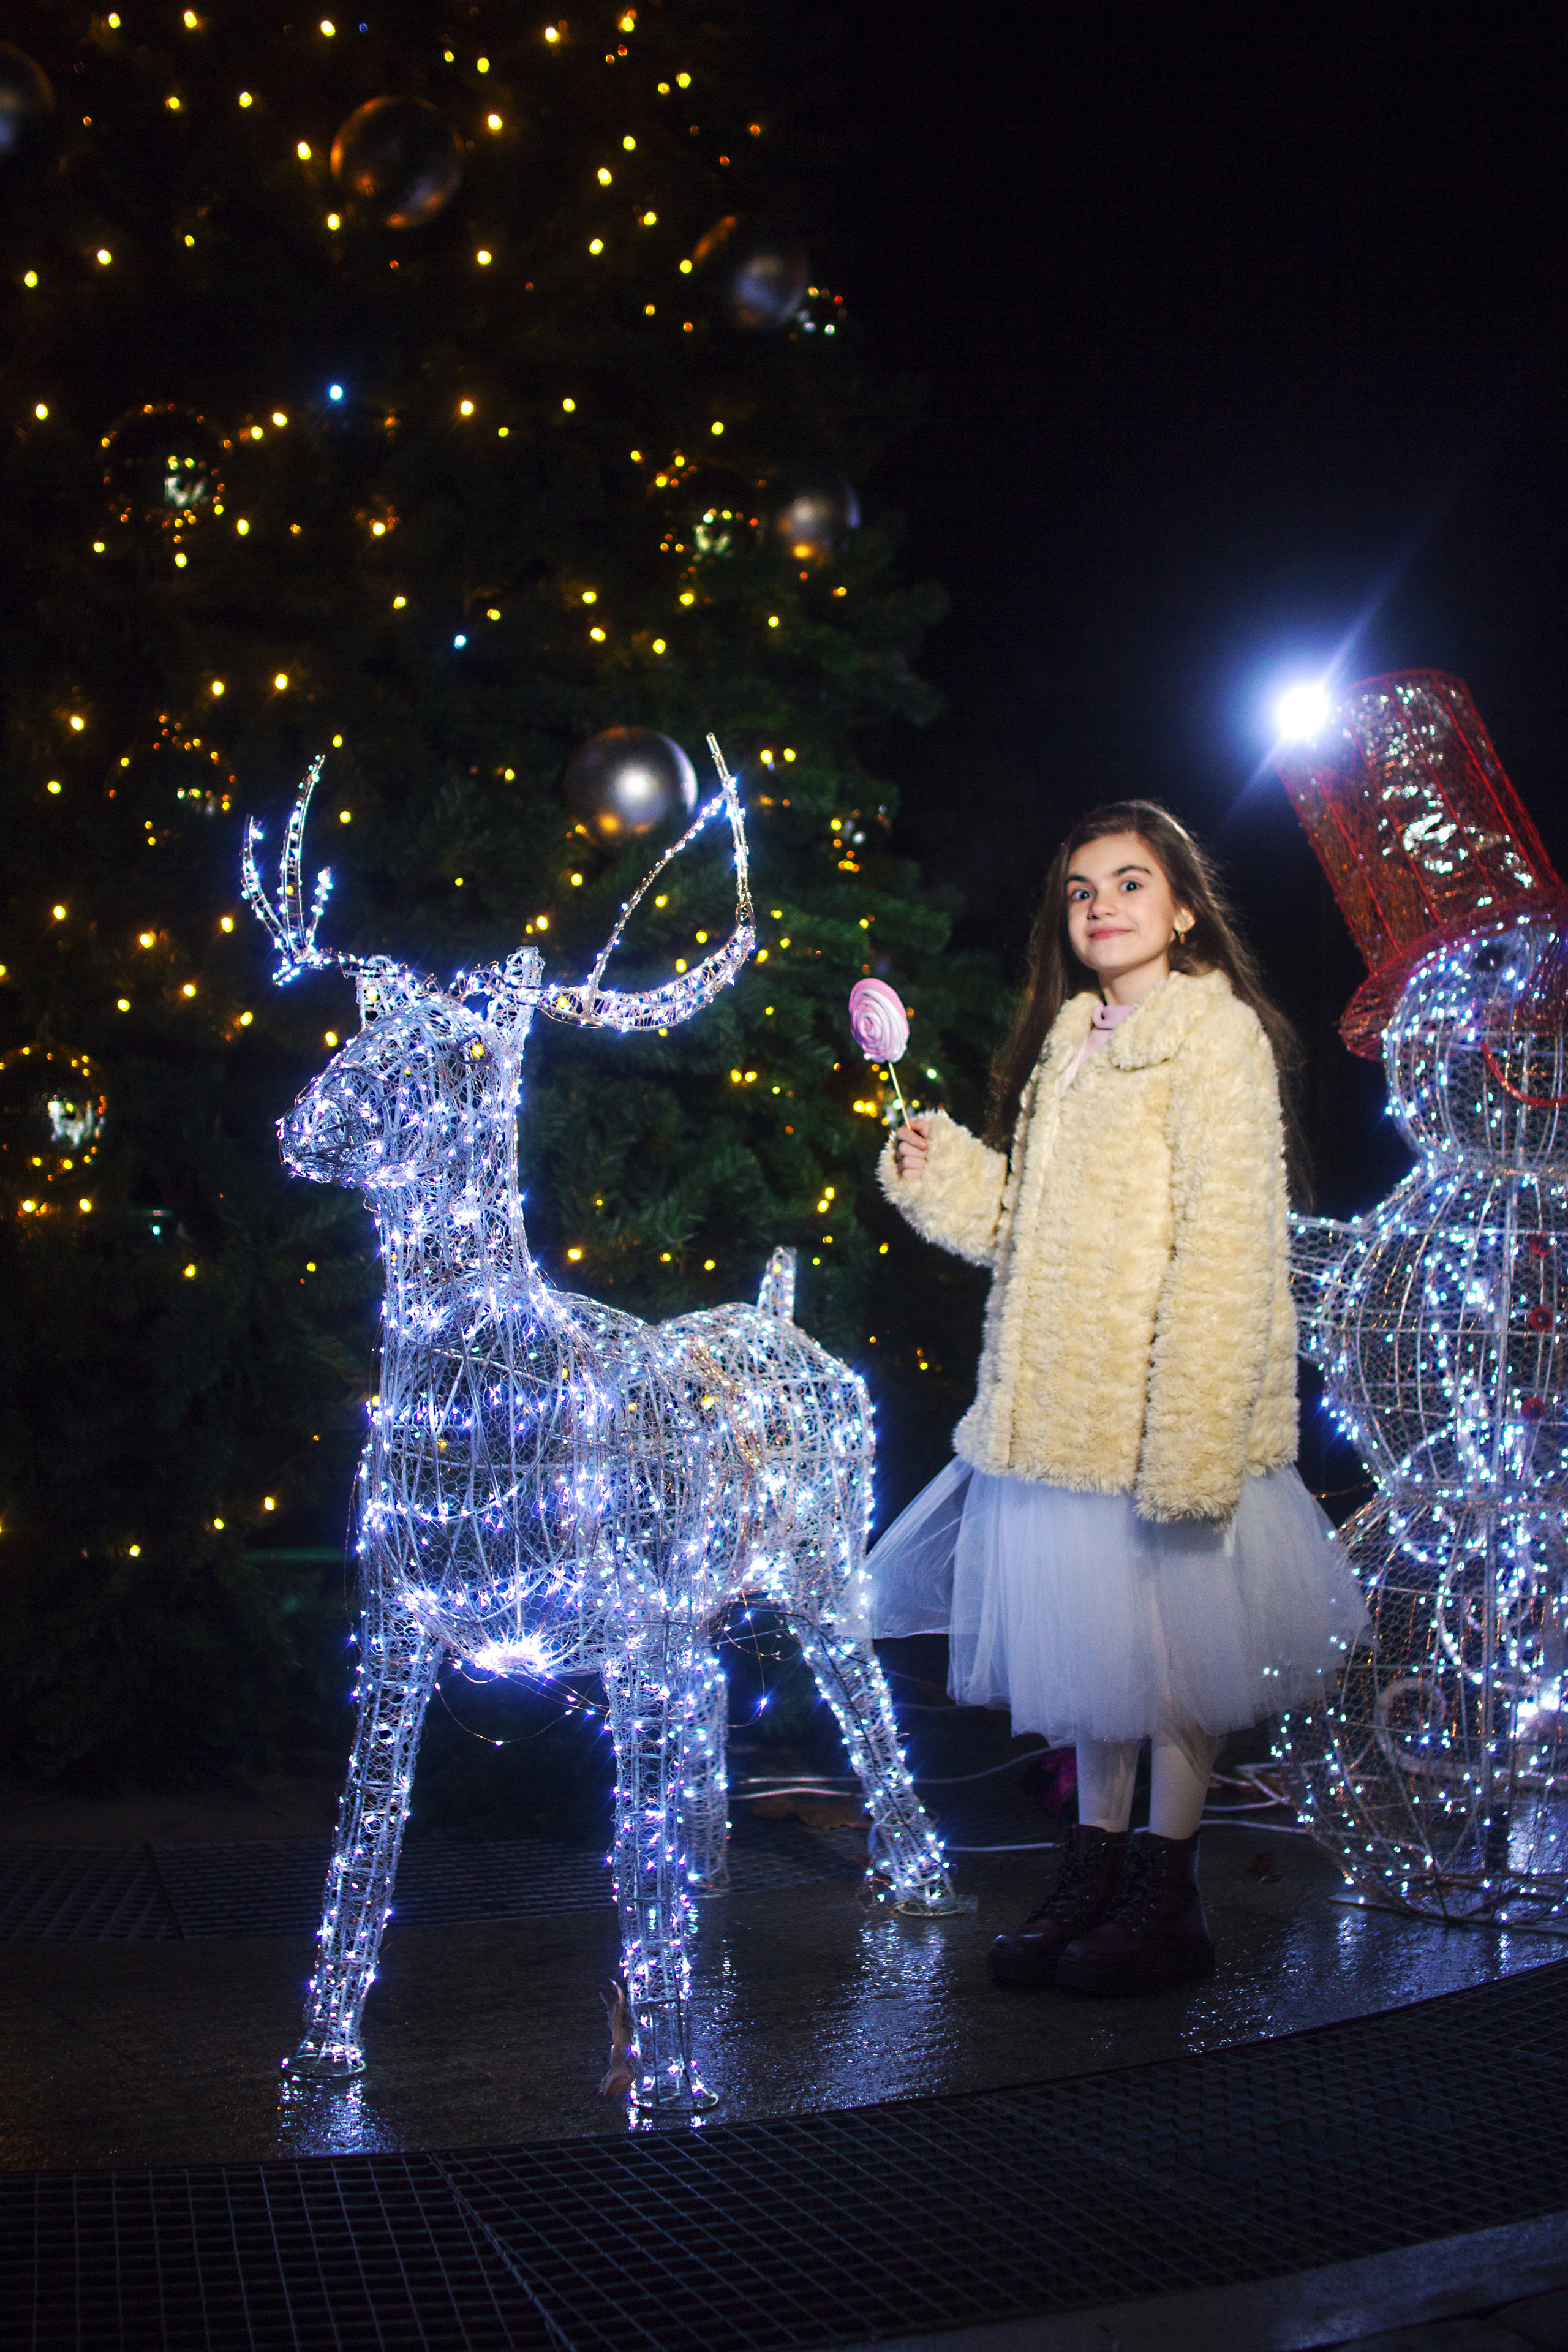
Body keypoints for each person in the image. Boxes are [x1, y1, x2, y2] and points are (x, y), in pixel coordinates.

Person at [870, 800, 1367, 1996]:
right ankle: (1090, 1870)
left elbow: (1226, 1242)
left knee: (1171, 1658)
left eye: (1128, 883)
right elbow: (1027, 1231)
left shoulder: (1212, 1038)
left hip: (1160, 1411)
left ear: (1183, 907)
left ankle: (1167, 1887)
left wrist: (1190, 1437)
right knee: (1099, 1664)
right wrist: (944, 1176)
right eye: (1081, 889)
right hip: (1062, 1416)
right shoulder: (1071, 1043)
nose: (1100, 906)